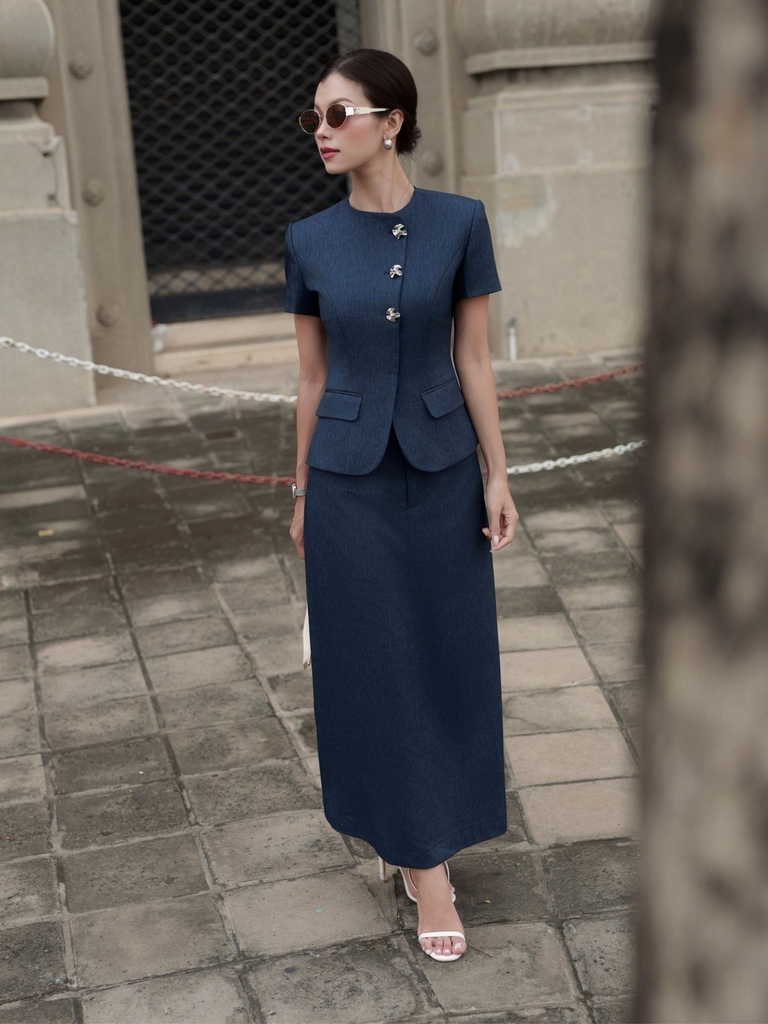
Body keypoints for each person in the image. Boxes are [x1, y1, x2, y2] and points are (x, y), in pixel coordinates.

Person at [285, 48, 518, 963]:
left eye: (338, 114)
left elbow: (474, 358)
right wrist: (301, 490)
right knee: (372, 665)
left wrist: (498, 473)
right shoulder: (308, 239)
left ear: (392, 122)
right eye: (313, 117)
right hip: (347, 482)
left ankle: (428, 831)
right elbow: (311, 378)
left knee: (449, 656)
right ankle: (425, 866)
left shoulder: (460, 223)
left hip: (443, 467)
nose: (322, 131)